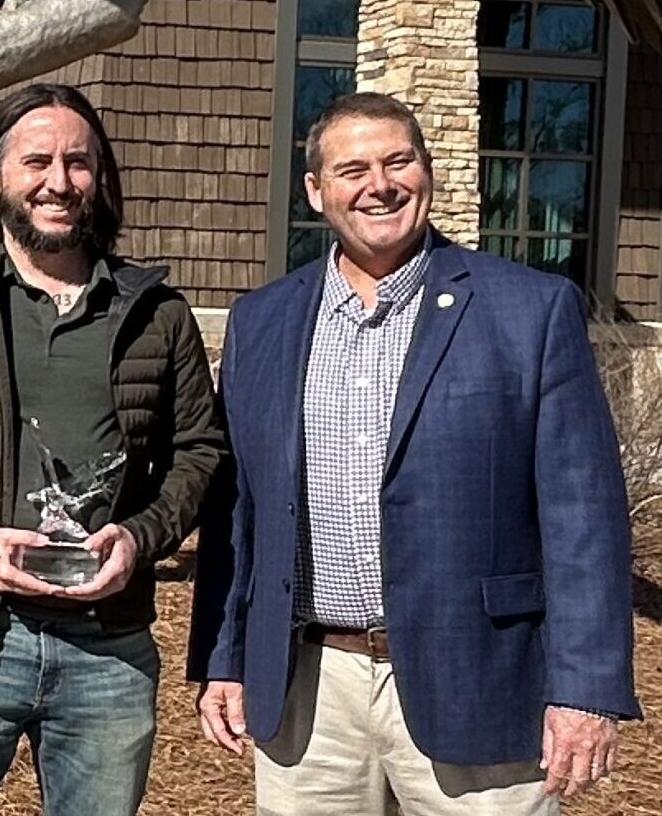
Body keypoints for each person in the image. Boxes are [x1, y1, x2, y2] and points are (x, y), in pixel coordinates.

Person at [191, 90, 637, 813]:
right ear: (315, 190)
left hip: (480, 681)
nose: (380, 185)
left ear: (428, 171)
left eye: (399, 161)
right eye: (353, 168)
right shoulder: (262, 321)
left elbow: (582, 516)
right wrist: (224, 659)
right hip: (309, 687)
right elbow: (237, 510)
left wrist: (585, 690)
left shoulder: (528, 310)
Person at [0, 83, 225, 816]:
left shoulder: (156, 314)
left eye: (78, 162)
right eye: (36, 160)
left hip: (108, 652)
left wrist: (141, 539)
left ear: (98, 176)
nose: (58, 181)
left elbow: (200, 452)